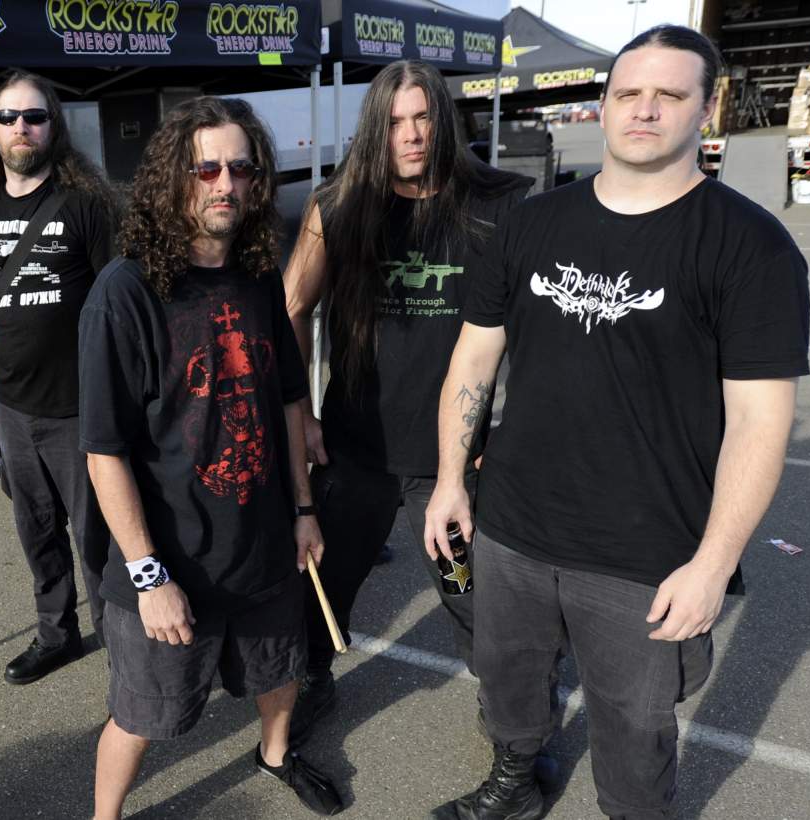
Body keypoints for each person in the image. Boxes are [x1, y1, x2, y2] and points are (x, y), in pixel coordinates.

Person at [427, 26, 810, 820]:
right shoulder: (531, 223)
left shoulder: (750, 246)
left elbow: (758, 421)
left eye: (670, 95)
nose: (645, 110)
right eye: (628, 93)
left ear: (706, 109)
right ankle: (515, 782)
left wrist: (713, 565)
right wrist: (449, 482)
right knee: (507, 679)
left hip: (645, 551)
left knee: (635, 732)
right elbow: (474, 359)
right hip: (513, 526)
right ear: (602, 106)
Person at [79, 97, 344, 819]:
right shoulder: (125, 293)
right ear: (173, 178)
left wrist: (303, 509)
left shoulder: (259, 277)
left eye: (240, 168)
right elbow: (104, 452)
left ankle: (276, 753)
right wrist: (148, 576)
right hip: (172, 561)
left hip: (262, 544)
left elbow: (287, 401)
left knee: (280, 672)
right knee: (143, 713)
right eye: (206, 169)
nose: (225, 183)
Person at [283, 59, 532, 741]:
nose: (412, 134)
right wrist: (301, 411)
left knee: (474, 600)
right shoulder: (338, 206)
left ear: (443, 119)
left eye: (423, 117)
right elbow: (291, 307)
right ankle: (312, 680)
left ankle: (510, 724)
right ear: (376, 129)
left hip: (449, 463)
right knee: (323, 587)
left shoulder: (499, 204)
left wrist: (507, 435)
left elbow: (540, 328)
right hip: (355, 450)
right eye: (395, 122)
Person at [0, 70, 115, 683]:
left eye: (34, 116)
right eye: (8, 117)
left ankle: (122, 646)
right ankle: (57, 635)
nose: (21, 127)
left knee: (98, 538)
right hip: (14, 408)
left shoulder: (85, 206)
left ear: (54, 126)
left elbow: (118, 302)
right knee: (37, 531)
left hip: (81, 408)